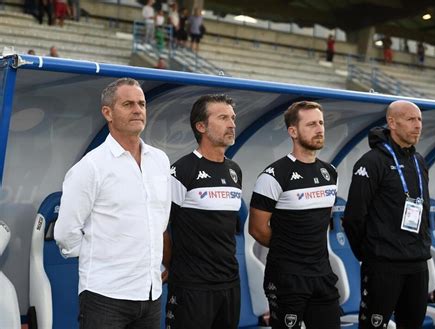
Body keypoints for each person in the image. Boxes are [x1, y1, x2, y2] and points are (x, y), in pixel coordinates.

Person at [54, 78, 171, 329]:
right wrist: (103, 258)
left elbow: (160, 221)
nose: (138, 110)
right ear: (107, 112)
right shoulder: (90, 167)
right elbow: (65, 234)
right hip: (104, 297)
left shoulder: (160, 161)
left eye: (141, 103)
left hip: (151, 294)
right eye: (128, 104)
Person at [249, 101, 340, 329]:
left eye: (321, 123)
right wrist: (288, 248)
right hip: (286, 278)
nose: (319, 129)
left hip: (322, 275)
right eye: (311, 124)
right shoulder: (273, 175)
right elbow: (257, 229)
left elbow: (323, 222)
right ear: (293, 131)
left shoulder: (330, 172)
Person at [343, 100, 431, 329]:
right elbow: (354, 217)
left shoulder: (418, 160)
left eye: (420, 119)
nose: (418, 125)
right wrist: (371, 253)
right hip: (384, 266)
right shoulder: (372, 162)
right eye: (411, 119)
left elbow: (423, 210)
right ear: (392, 122)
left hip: (418, 264)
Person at [165, 94, 242, 329]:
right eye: (222, 118)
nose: (232, 124)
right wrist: (169, 266)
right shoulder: (182, 170)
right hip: (192, 287)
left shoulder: (234, 171)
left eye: (232, 118)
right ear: (201, 126)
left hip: (229, 284)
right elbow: (160, 226)